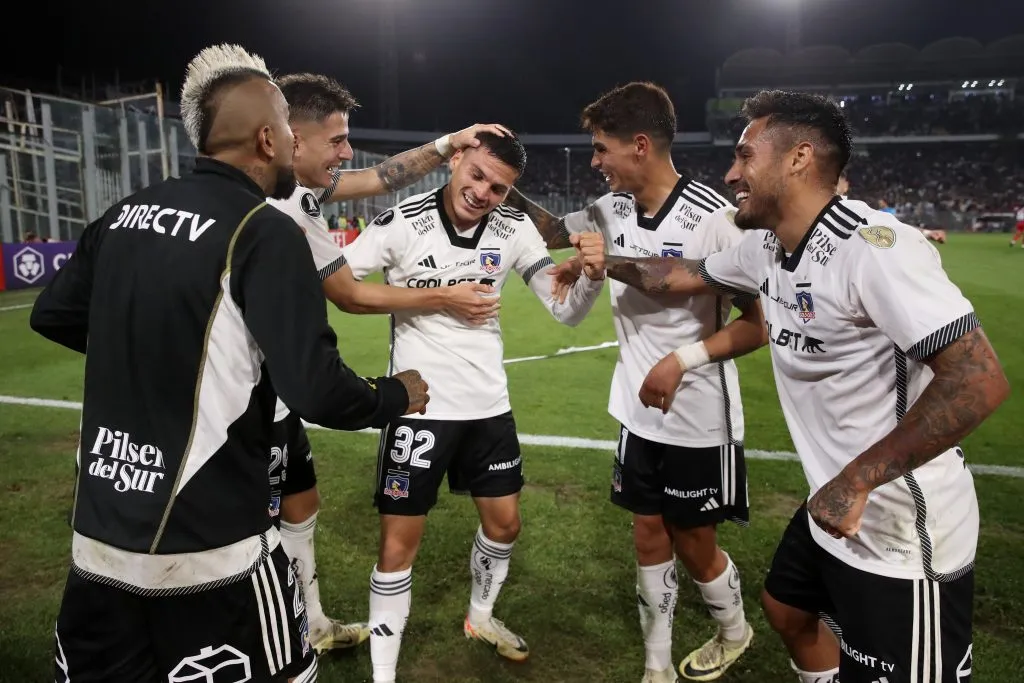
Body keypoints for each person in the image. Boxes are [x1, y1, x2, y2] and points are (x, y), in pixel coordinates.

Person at [569, 89, 1010, 683]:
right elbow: (676, 274)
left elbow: (979, 381)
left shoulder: (873, 249)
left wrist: (857, 481)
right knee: (785, 608)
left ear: (798, 158)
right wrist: (608, 263)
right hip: (833, 501)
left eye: (746, 157)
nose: (731, 173)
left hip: (902, 524)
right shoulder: (765, 247)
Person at [30, 43, 428, 683]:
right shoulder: (262, 231)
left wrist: (161, 358)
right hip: (215, 554)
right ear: (271, 140)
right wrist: (396, 394)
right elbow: (317, 390)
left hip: (98, 544)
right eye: (291, 135)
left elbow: (53, 314)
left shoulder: (125, 213)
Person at [505, 82, 763, 683]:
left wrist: (682, 360)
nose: (595, 162)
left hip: (700, 414)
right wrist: (486, 173)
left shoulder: (716, 220)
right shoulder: (610, 209)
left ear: (639, 145)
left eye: (601, 150)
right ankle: (657, 664)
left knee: (695, 544)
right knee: (647, 531)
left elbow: (758, 327)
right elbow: (548, 231)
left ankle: (734, 630)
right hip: (635, 411)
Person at [341, 131, 605, 683]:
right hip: (419, 407)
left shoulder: (514, 231)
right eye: (478, 175)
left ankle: (480, 618)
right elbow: (344, 287)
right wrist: (439, 296)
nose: (483, 192)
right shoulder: (401, 222)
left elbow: (563, 308)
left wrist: (589, 278)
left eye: (499, 187)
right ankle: (383, 675)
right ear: (456, 159)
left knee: (505, 525)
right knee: (398, 544)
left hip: (488, 406)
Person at [263, 70, 510, 655]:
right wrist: (445, 297)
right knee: (246, 527)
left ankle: (314, 622)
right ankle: (262, 641)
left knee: (302, 503)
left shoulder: (302, 192)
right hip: (245, 391)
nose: (347, 153)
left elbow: (379, 176)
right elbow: (352, 295)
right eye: (337, 141)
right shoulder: (289, 210)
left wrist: (452, 143)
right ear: (292, 140)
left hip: (277, 386)